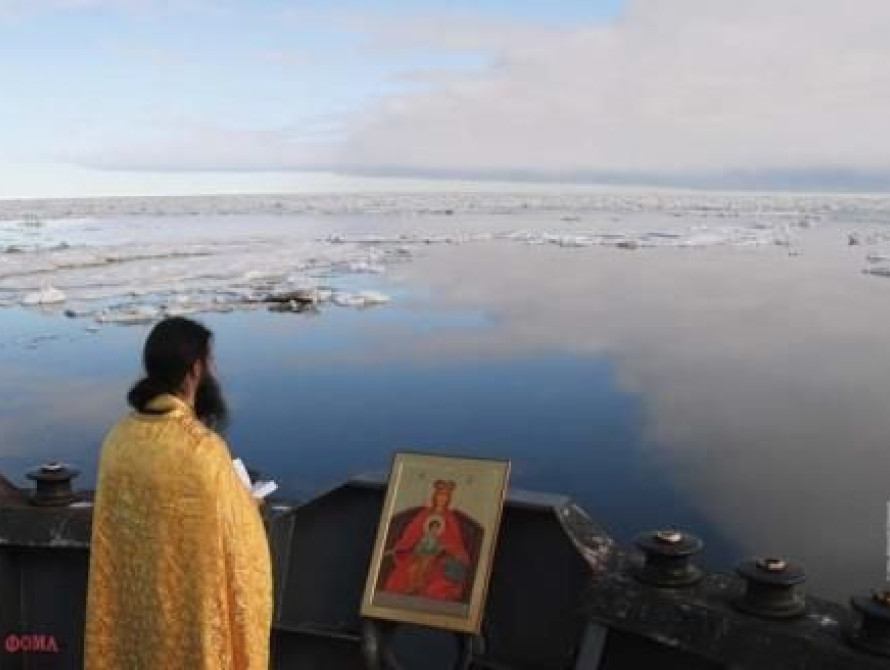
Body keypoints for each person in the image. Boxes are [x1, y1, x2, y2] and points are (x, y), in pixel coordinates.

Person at [84, 317, 272, 670]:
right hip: (189, 617)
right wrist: (252, 506)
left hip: (136, 611)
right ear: (195, 369)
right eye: (210, 362)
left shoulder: (117, 440)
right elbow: (239, 539)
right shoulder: (202, 448)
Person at [383, 480, 471, 601]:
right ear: (435, 497)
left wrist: (448, 548)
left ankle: (418, 587)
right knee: (411, 567)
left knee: (431, 567)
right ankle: (413, 587)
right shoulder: (424, 514)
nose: (442, 499)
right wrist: (403, 547)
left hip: (440, 554)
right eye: (440, 495)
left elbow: (455, 541)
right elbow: (411, 535)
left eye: (445, 496)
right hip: (420, 551)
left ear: (448, 499)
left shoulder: (450, 518)